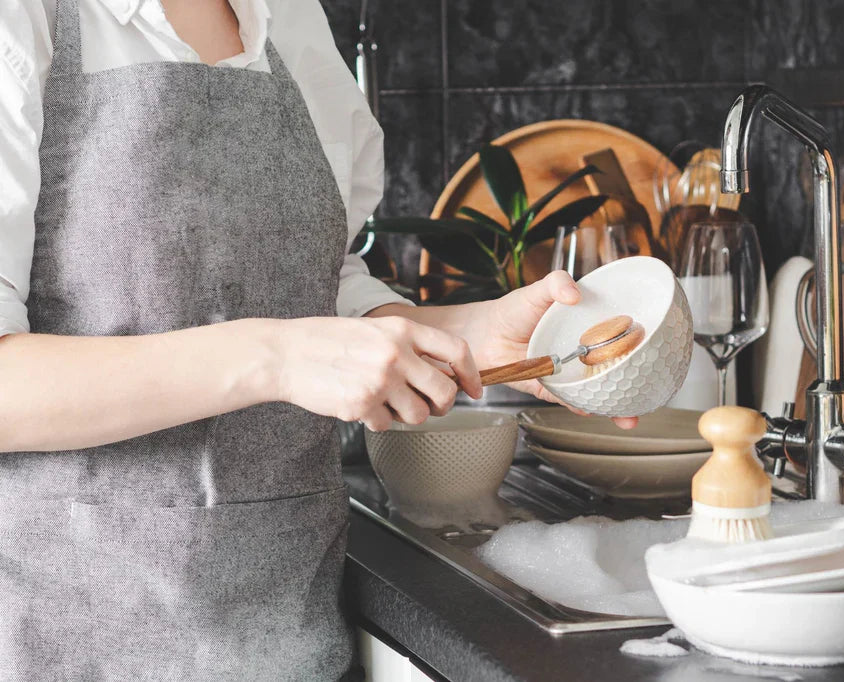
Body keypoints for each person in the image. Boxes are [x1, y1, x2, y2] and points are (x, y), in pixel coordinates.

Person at [0, 0, 637, 678]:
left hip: (285, 630)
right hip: (64, 636)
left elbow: (316, 278)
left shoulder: (288, 15)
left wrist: (468, 335)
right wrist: (273, 357)